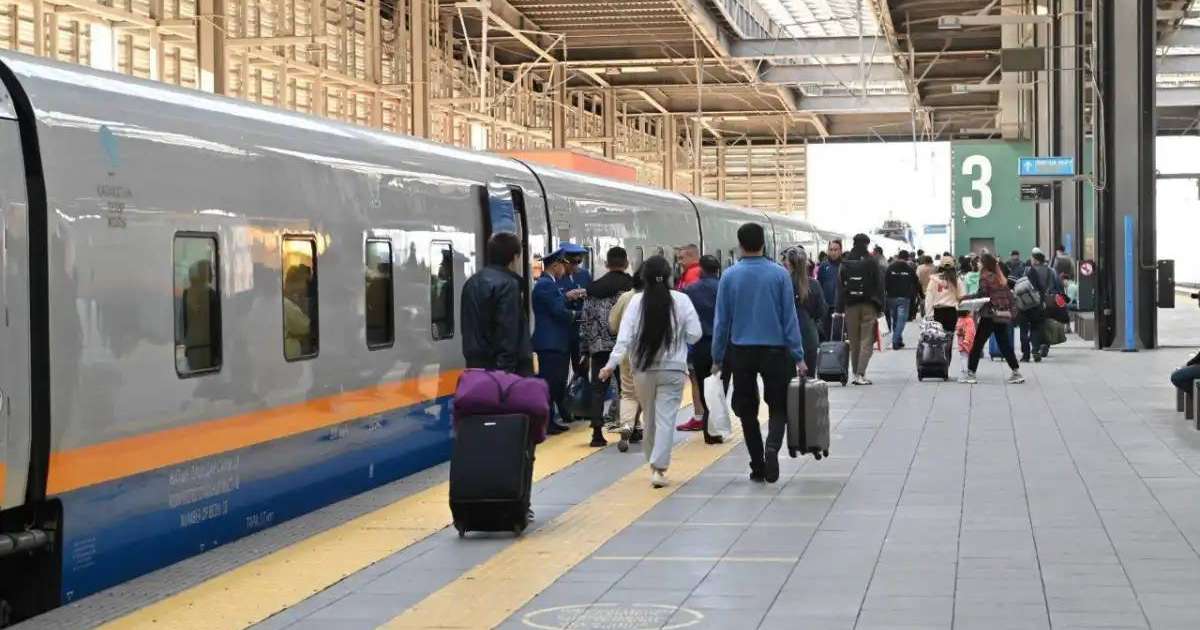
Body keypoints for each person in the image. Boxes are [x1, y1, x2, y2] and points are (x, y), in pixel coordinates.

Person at [712, 222, 805, 484]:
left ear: (739, 245)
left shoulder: (729, 276)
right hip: (775, 351)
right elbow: (790, 319)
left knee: (747, 410)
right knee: (778, 406)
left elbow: (721, 322)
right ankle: (773, 447)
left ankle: (757, 465)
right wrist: (798, 356)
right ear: (764, 243)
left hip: (741, 351)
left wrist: (717, 358)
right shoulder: (779, 275)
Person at [600, 256, 702, 488]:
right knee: (666, 418)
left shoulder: (636, 302)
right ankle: (659, 468)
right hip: (673, 369)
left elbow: (624, 339)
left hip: (643, 369)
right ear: (669, 277)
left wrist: (610, 365)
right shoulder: (682, 300)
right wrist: (679, 340)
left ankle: (653, 461)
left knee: (650, 417)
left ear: (643, 277)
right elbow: (695, 334)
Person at [580, 246, 635, 447]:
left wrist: (585, 349)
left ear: (606, 264)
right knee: (627, 390)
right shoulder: (631, 288)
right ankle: (631, 430)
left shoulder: (593, 288)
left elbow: (585, 321)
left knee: (598, 389)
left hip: (599, 347)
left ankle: (596, 433)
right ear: (626, 264)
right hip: (624, 347)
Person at [461, 232, 533, 375]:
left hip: (475, 369)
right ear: (514, 258)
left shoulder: (471, 282)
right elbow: (508, 335)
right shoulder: (508, 285)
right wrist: (504, 376)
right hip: (499, 374)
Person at [533, 248, 578, 435]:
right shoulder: (546, 285)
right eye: (563, 265)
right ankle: (547, 422)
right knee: (550, 384)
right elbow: (557, 311)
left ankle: (550, 420)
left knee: (555, 383)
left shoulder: (549, 284)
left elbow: (556, 304)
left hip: (554, 343)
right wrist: (578, 315)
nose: (564, 270)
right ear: (555, 265)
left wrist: (568, 298)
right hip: (550, 344)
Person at [962, 253, 1025, 384]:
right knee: (1004, 344)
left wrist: (965, 298)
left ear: (984, 264)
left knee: (978, 344)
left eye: (979, 262)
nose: (977, 264)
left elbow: (982, 294)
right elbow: (1008, 295)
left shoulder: (985, 276)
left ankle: (971, 373)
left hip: (989, 315)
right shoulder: (999, 277)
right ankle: (1016, 372)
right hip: (1001, 314)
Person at [682, 255, 725, 444]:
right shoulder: (724, 287)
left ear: (701, 270)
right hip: (722, 344)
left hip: (699, 345)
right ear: (717, 270)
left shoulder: (690, 290)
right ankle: (715, 427)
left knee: (701, 383)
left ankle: (709, 425)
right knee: (719, 385)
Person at [837, 233, 885, 385]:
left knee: (854, 341)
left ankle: (855, 373)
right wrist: (881, 306)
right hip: (868, 305)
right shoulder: (872, 262)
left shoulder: (845, 262)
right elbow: (879, 284)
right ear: (866, 244)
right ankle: (860, 374)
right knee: (866, 341)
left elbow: (840, 286)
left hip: (850, 305)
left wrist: (839, 307)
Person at [609, 269, 645, 449]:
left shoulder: (625, 298)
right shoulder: (662, 298)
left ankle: (627, 428)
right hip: (653, 355)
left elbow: (613, 325)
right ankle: (639, 427)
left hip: (628, 353)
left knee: (629, 394)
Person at [781, 246, 828, 375]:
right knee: (809, 378)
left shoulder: (783, 283)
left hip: (786, 336)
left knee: (787, 380)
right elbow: (821, 311)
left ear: (788, 263)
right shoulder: (814, 284)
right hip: (809, 334)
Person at [556, 246, 591, 393]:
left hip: (580, 331)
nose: (577, 265)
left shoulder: (584, 275)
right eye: (574, 262)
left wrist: (585, 294)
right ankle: (564, 404)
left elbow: (592, 297)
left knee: (582, 369)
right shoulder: (556, 277)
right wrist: (568, 296)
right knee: (561, 371)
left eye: (579, 262)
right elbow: (554, 302)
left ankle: (581, 403)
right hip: (563, 331)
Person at [1020, 249, 1058, 363]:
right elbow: (1051, 288)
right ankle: (1036, 350)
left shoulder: (1027, 270)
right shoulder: (1049, 271)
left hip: (1025, 303)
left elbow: (1021, 285)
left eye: (1032, 258)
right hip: (1039, 303)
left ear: (1036, 260)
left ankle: (1025, 355)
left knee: (1023, 330)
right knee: (1036, 327)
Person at [884, 250, 920, 350]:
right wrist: (920, 294)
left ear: (898, 257)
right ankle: (895, 341)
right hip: (904, 298)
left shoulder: (890, 268)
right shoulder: (909, 269)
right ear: (907, 258)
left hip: (891, 297)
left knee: (895, 320)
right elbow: (916, 282)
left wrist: (886, 294)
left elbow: (885, 282)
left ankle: (899, 341)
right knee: (901, 320)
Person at [925, 256, 964, 336]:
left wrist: (929, 315)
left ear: (940, 266)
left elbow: (929, 298)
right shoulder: (957, 280)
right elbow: (961, 296)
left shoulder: (934, 280)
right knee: (949, 338)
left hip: (937, 312)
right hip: (952, 312)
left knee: (938, 340)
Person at [817, 239, 843, 339]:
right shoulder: (823, 266)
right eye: (831, 249)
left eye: (835, 250)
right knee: (826, 335)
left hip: (840, 309)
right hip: (826, 308)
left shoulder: (844, 266)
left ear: (840, 250)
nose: (833, 252)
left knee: (838, 336)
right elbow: (819, 285)